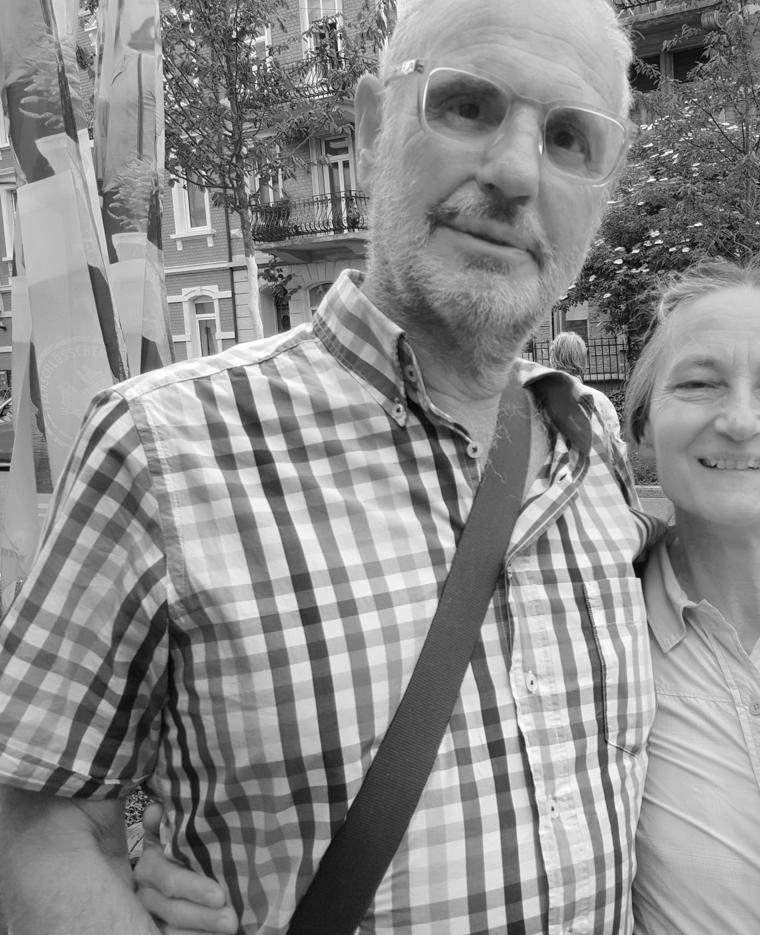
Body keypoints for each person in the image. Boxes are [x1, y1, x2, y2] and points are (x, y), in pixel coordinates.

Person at [137, 261, 760, 935]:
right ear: (640, 421)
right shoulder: (574, 627)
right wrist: (179, 864)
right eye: (697, 383)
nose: (739, 420)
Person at [0, 1, 663, 933]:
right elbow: (35, 812)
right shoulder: (162, 445)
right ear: (371, 125)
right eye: (468, 106)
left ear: (604, 186)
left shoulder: (592, 442)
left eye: (567, 138)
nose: (517, 172)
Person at [549, 329, 624, 450]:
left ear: (553, 361)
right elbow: (616, 449)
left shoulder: (540, 402)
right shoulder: (600, 401)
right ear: (584, 362)